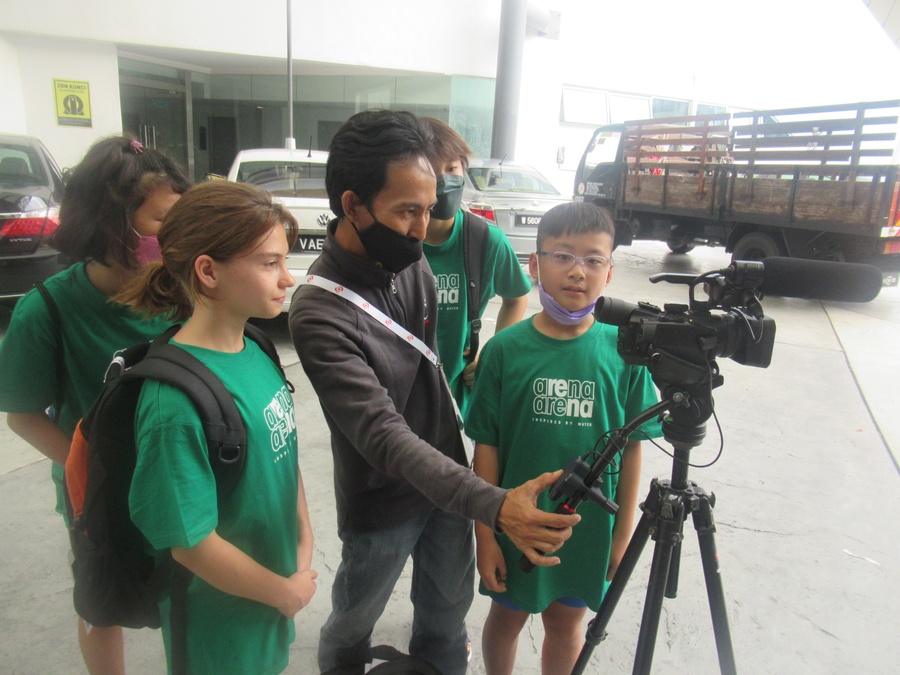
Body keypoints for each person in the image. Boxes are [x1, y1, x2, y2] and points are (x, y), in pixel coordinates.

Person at [288, 109, 580, 675]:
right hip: (383, 499)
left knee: (447, 616)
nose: (423, 229)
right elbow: (383, 435)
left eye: (428, 209)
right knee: (353, 619)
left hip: (449, 485)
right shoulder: (319, 311)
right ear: (352, 205)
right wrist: (493, 504)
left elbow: (431, 379)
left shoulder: (411, 261)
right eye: (406, 211)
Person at [0, 134, 190, 674]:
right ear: (111, 222)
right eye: (161, 223)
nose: (174, 237)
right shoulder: (49, 310)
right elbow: (23, 415)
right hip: (99, 498)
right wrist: (90, 467)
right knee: (101, 603)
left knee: (184, 590)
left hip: (179, 478)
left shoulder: (188, 292)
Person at [117, 180, 317, 674]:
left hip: (268, 602)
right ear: (208, 271)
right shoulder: (174, 402)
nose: (286, 279)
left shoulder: (257, 349)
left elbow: (282, 460)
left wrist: (302, 540)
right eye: (270, 263)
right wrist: (283, 592)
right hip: (216, 628)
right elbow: (190, 543)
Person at [465, 202, 663, 675]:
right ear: (534, 265)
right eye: (563, 256)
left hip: (586, 530)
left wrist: (622, 534)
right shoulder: (503, 352)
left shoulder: (624, 353)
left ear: (610, 272)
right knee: (506, 618)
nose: (578, 271)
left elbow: (633, 448)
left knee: (566, 624)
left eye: (594, 260)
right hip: (515, 520)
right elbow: (485, 449)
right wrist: (486, 536)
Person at [421, 117, 530, 419]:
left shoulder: (485, 239)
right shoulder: (397, 242)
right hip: (405, 395)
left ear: (464, 170)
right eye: (430, 170)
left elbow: (517, 296)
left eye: (451, 168)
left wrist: (491, 353)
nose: (443, 180)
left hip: (462, 400)